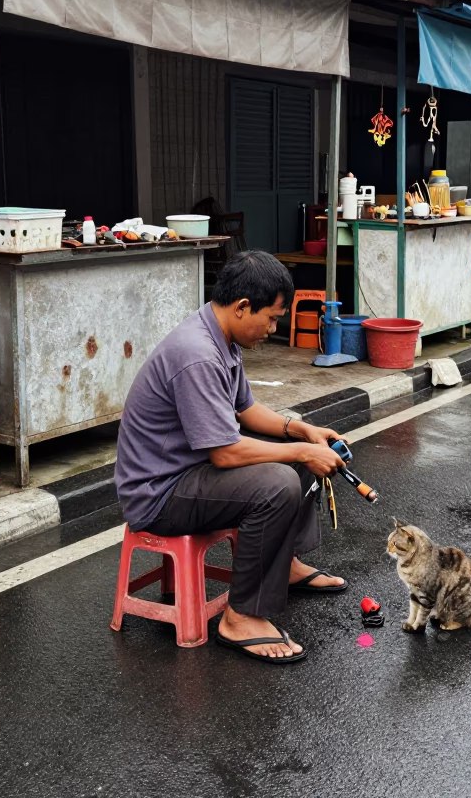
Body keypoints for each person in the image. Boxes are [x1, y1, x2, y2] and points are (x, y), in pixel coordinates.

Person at [115, 250, 348, 664]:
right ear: (242, 307)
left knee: (300, 458)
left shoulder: (222, 336)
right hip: (159, 495)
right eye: (271, 318)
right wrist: (300, 450)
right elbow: (225, 453)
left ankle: (284, 564)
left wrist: (303, 432)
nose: (273, 329)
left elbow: (246, 410)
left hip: (190, 473)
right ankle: (240, 618)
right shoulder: (198, 353)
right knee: (278, 483)